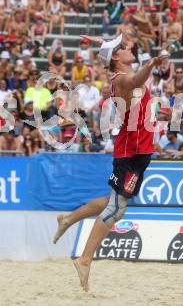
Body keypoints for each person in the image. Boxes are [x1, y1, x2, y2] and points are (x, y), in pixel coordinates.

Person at [53, 33, 165, 291]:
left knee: (112, 200)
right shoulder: (124, 78)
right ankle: (85, 259)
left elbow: (117, 52)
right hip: (131, 151)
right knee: (116, 208)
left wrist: (96, 41)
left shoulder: (116, 75)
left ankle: (68, 219)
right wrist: (151, 64)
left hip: (137, 149)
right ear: (117, 57)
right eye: (123, 48)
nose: (128, 48)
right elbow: (137, 78)